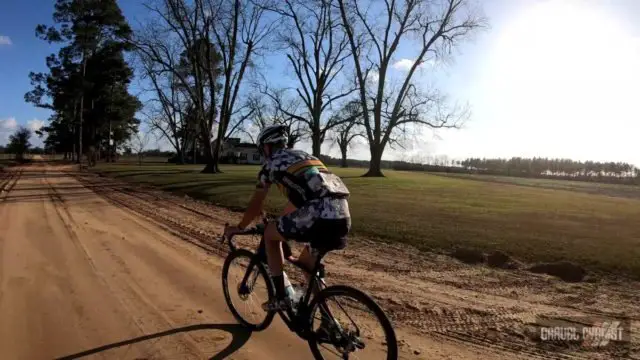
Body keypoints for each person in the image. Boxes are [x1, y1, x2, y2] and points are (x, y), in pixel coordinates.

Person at [224, 124, 351, 312]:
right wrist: (280, 222)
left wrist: (240, 227)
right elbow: (301, 198)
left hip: (317, 214)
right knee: (308, 265)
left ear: (267, 147)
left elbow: (256, 203)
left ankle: (281, 297)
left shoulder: (270, 165)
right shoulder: (308, 158)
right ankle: (327, 321)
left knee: (269, 235)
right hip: (342, 215)